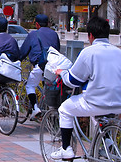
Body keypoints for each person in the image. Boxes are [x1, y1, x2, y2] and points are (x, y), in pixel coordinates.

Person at [51, 17, 121, 160]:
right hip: (118, 103)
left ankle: (66, 149)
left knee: (64, 109)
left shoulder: (88, 52)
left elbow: (72, 81)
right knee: (101, 115)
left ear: (90, 35)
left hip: (96, 102)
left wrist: (62, 72)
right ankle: (107, 142)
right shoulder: (118, 52)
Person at [20, 14, 60, 120]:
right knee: (48, 86)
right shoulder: (54, 34)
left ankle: (35, 108)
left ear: (37, 24)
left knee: (30, 86)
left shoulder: (33, 34)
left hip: (41, 65)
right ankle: (51, 111)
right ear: (48, 24)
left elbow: (23, 52)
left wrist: (17, 60)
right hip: (54, 66)